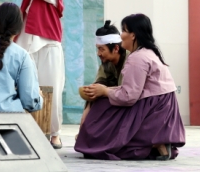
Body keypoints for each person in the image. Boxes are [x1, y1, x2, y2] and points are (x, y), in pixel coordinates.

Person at [74, 13, 186, 160]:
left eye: (124, 30)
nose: (121, 35)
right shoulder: (147, 53)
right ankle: (156, 141)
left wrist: (105, 91)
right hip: (160, 105)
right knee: (99, 99)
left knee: (102, 119)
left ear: (133, 35)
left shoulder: (136, 58)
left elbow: (128, 97)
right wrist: (101, 90)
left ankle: (153, 141)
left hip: (153, 108)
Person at [0, 0, 65, 149]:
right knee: (25, 88)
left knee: (52, 90)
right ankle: (25, 129)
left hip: (48, 45)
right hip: (26, 43)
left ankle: (54, 133)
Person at [78, 20, 129, 134]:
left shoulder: (130, 61)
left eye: (102, 49)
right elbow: (98, 85)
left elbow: (127, 93)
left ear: (116, 48)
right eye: (98, 49)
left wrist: (104, 91)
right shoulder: (107, 62)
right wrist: (85, 115)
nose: (98, 53)